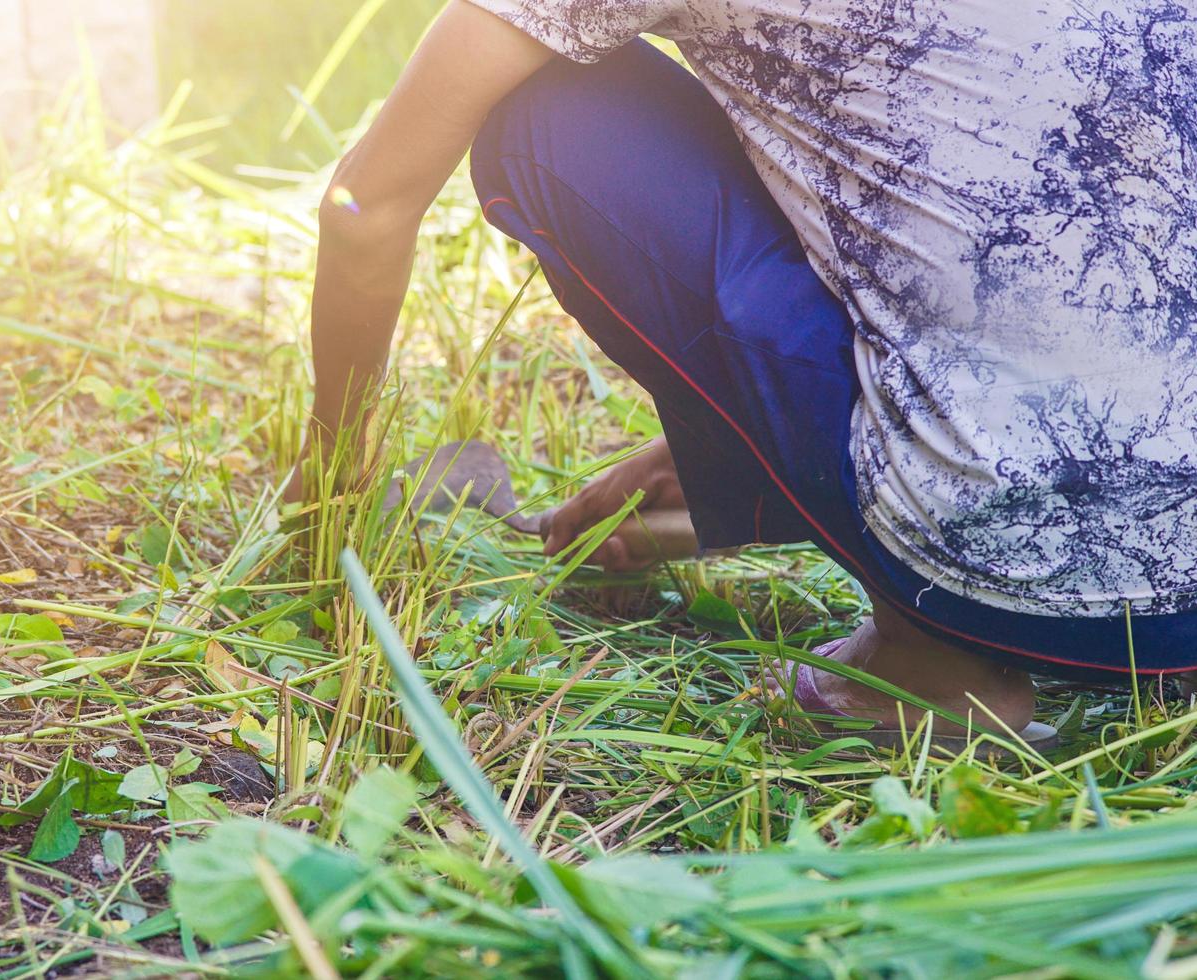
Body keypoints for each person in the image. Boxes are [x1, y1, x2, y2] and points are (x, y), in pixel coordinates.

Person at [291, 0, 1197, 743]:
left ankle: (929, 676)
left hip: (999, 567)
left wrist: (329, 481)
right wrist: (712, 470)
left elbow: (366, 206)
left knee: (544, 114)